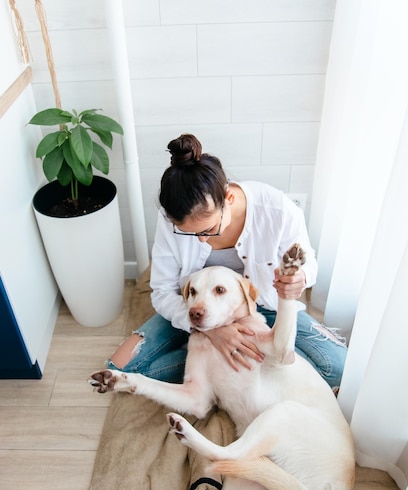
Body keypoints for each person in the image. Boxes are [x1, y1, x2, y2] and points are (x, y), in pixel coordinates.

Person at [107, 133, 347, 390]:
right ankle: (216, 359)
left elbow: (309, 265)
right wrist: (212, 332)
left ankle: (222, 360)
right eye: (188, 233)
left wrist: (299, 279)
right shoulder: (169, 219)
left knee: (338, 368)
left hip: (262, 306)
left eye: (208, 229)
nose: (200, 241)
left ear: (228, 200)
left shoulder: (278, 209)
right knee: (119, 369)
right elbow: (163, 291)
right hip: (194, 309)